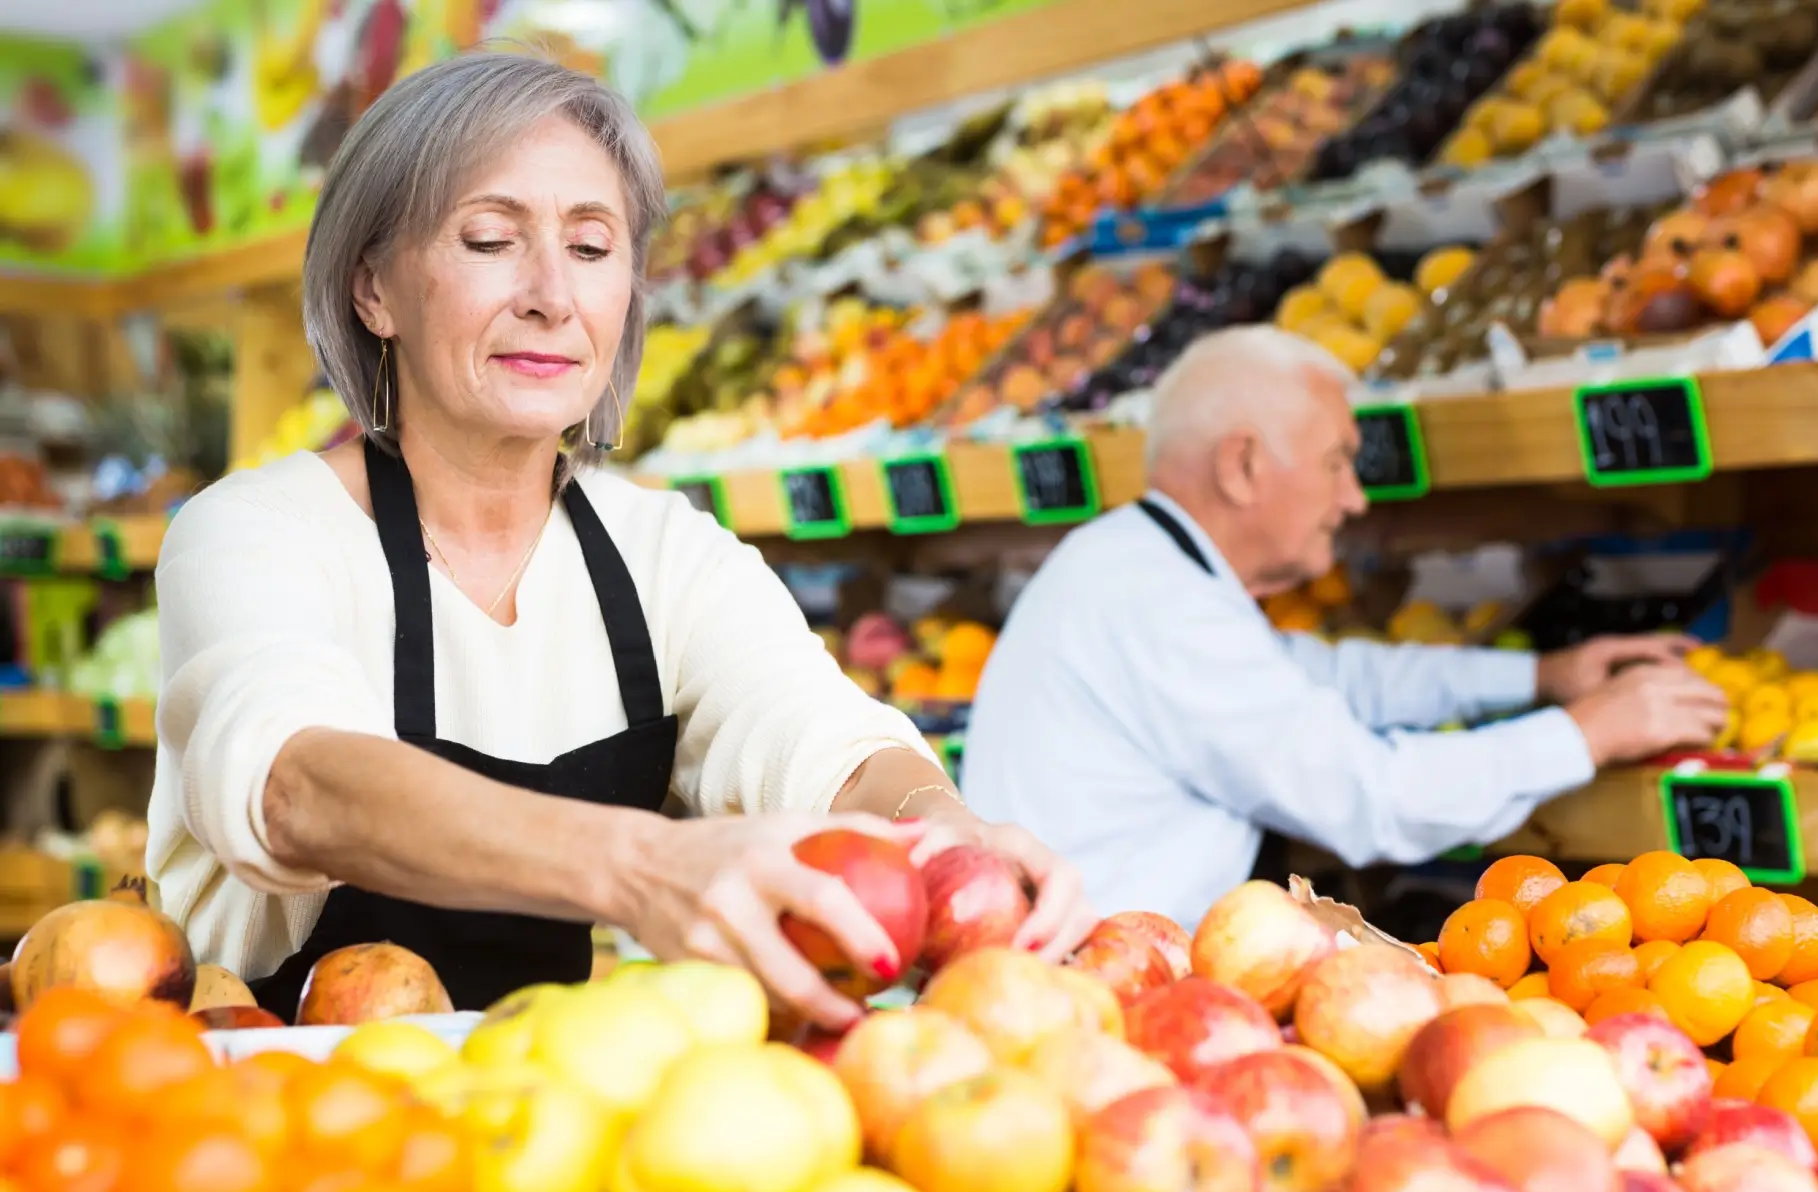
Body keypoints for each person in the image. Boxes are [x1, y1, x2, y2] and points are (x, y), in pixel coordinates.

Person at [146, 52, 1091, 1031]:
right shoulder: (259, 533)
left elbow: (816, 736)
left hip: (538, 1122)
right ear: (373, 291)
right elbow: (298, 782)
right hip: (258, 1104)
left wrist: (941, 834)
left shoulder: (663, 555)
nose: (552, 295)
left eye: (592, 249)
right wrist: (641, 865)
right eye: (488, 239)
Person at [961, 326, 1729, 926]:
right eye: (1338, 461)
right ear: (1243, 466)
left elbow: (1324, 676)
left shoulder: (1139, 565)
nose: (1355, 498)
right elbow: (1372, 798)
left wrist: (1540, 677)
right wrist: (1585, 733)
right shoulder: (1156, 605)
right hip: (1109, 1005)